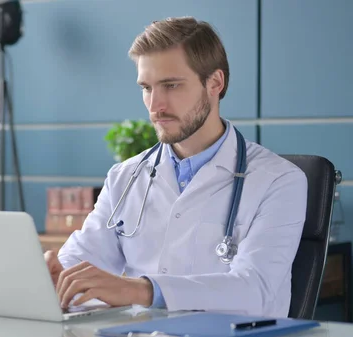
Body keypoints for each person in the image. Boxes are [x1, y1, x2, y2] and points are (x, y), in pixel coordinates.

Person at [44, 16, 307, 318]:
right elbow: (82, 261)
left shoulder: (280, 181)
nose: (156, 105)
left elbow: (256, 290)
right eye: (146, 87)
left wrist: (141, 290)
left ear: (215, 83)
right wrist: (56, 277)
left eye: (171, 85)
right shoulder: (125, 177)